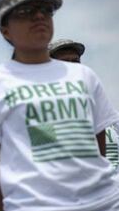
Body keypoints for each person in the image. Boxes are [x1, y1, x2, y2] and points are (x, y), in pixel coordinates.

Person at [0, 0, 119, 211]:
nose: (39, 17)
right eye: (26, 12)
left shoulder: (84, 76)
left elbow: (98, 143)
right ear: (5, 30)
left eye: (45, 10)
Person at [49, 39, 119, 169]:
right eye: (63, 63)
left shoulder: (111, 119)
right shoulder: (43, 121)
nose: (72, 68)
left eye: (75, 62)